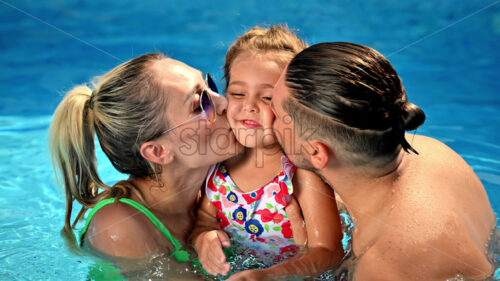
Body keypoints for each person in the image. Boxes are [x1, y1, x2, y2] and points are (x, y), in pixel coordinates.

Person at [270, 42, 498, 281]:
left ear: (316, 152)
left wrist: (307, 270)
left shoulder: (385, 268)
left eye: (275, 113)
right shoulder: (433, 151)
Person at [49, 53, 242, 278]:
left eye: (210, 86)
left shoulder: (223, 183)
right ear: (158, 151)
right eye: (200, 104)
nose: (225, 102)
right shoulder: (119, 224)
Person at [191, 26, 345, 280]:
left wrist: (271, 276)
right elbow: (204, 219)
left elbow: (328, 251)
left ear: (298, 106)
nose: (249, 106)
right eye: (238, 93)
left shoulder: (301, 172)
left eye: (267, 98)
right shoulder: (220, 165)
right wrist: (204, 238)